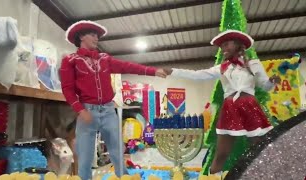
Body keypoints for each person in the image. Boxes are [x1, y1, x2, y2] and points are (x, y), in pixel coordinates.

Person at [165, 30, 281, 176]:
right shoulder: (222, 68)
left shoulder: (253, 64)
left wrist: (272, 82)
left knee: (259, 150)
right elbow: (197, 75)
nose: (223, 49)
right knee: (221, 153)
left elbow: (264, 86)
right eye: (221, 47)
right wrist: (173, 71)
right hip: (230, 109)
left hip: (250, 107)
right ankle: (212, 178)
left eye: (226, 44)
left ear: (238, 44)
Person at [59, 20, 167, 180]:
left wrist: (153, 71)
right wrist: (80, 110)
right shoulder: (70, 60)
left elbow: (128, 66)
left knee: (118, 150)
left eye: (97, 35)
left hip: (109, 110)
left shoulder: (105, 59)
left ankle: (123, 177)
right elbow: (67, 89)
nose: (97, 38)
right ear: (81, 36)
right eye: (93, 35)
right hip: (87, 111)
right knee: (85, 156)